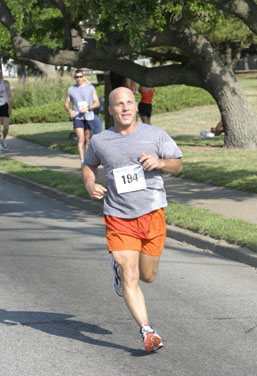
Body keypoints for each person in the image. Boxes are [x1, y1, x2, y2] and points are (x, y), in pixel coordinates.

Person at [82, 87, 182, 351]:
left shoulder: (155, 135)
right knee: (130, 273)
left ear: (136, 106)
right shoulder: (100, 141)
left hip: (152, 213)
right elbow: (88, 164)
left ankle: (123, 270)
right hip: (118, 214)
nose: (125, 108)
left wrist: (160, 163)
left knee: (147, 276)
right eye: (119, 104)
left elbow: (177, 164)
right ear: (111, 109)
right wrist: (90, 184)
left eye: (129, 103)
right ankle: (147, 331)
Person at [64, 69, 100, 164]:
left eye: (80, 76)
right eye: (77, 77)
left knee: (87, 138)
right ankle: (82, 160)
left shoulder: (90, 88)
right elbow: (66, 103)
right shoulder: (71, 89)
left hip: (88, 116)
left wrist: (87, 108)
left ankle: (87, 158)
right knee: (81, 138)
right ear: (74, 78)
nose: (79, 79)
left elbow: (97, 103)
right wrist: (70, 110)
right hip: (77, 117)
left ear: (83, 77)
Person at [0, 71, 13, 152]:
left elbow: (10, 97)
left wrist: (10, 108)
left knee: (6, 126)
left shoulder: (5, 83)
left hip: (4, 106)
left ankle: (4, 139)